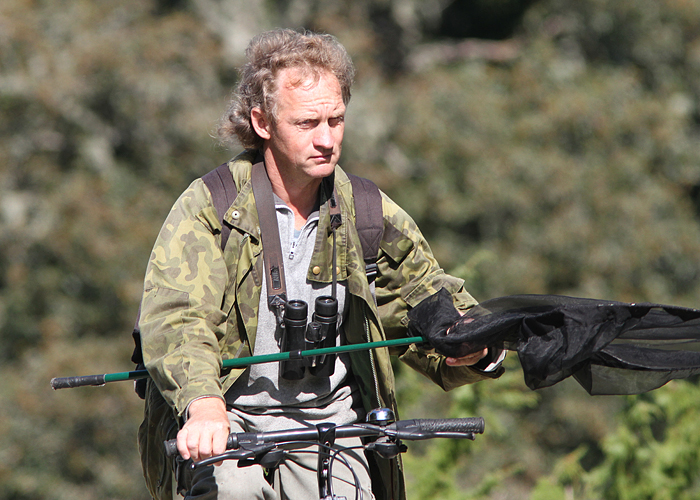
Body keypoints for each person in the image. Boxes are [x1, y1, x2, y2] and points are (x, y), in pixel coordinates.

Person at [137, 28, 505, 500]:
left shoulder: (369, 212)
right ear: (262, 122)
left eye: (336, 120)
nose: (327, 139)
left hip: (333, 430)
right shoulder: (211, 206)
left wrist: (478, 348)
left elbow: (431, 305)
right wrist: (203, 404)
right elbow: (178, 317)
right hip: (229, 426)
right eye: (308, 123)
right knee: (231, 491)